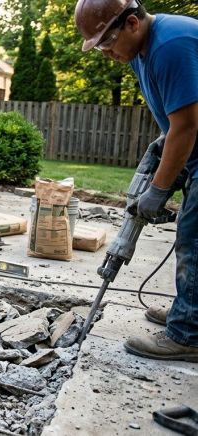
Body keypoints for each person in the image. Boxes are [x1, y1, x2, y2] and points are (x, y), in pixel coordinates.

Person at [75, 0, 198, 361]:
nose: (105, 53)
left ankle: (188, 334)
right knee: (191, 237)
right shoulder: (144, 51)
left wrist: (158, 190)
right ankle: (189, 312)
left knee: (194, 239)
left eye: (107, 42)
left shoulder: (170, 44)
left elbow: (187, 125)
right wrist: (163, 152)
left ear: (131, 23)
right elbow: (177, 120)